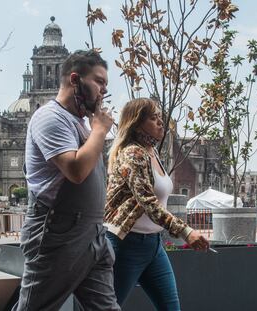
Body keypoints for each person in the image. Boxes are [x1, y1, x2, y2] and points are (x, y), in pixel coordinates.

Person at [13, 50, 120, 311]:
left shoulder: (82, 123)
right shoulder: (50, 117)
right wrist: (99, 130)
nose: (104, 90)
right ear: (75, 79)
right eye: (99, 82)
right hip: (57, 235)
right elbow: (75, 169)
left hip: (92, 235)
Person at [105, 98, 210, 309]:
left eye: (160, 117)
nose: (161, 123)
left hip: (153, 244)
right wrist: (186, 231)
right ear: (136, 123)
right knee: (106, 307)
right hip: (126, 244)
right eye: (153, 118)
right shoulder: (133, 154)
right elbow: (148, 203)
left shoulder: (152, 152)